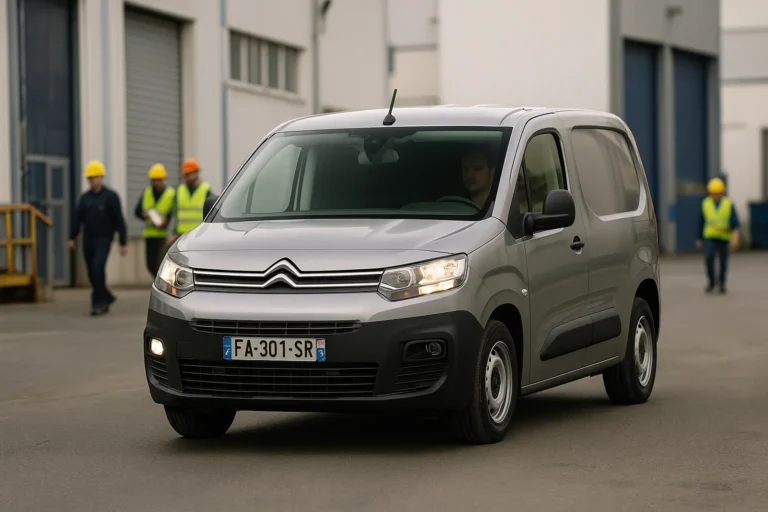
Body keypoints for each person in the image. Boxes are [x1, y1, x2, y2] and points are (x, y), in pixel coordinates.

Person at [68, 160, 128, 316]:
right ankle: (106, 296)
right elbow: (77, 219)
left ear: (101, 177)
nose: (92, 180)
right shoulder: (85, 198)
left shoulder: (111, 197)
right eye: (89, 178)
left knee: (97, 268)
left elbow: (119, 220)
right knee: (91, 273)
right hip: (88, 239)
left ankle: (98, 303)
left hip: (104, 239)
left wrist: (123, 241)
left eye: (94, 177)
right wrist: (72, 237)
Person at [696, 177, 740, 294]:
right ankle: (711, 282)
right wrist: (699, 238)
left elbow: (735, 221)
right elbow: (701, 221)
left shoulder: (728, 203)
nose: (716, 195)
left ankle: (722, 283)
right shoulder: (705, 203)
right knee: (709, 257)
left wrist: (732, 230)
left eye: (718, 193)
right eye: (713, 193)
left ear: (722, 192)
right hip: (710, 236)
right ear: (710, 193)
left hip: (724, 237)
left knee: (723, 262)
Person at [134, 163, 176, 277]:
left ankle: (159, 283)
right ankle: (157, 281)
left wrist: (167, 222)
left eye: (159, 179)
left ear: (164, 179)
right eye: (154, 180)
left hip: (164, 236)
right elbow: (137, 211)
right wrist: (144, 215)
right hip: (150, 235)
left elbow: (175, 213)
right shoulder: (147, 192)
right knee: (150, 265)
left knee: (161, 264)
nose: (157, 182)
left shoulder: (171, 194)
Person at [165, 158, 214, 246]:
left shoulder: (206, 190)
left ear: (196, 173)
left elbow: (211, 214)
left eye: (188, 174)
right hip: (181, 236)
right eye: (184, 174)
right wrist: (172, 233)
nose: (185, 177)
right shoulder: (179, 190)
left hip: (198, 235)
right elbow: (174, 214)